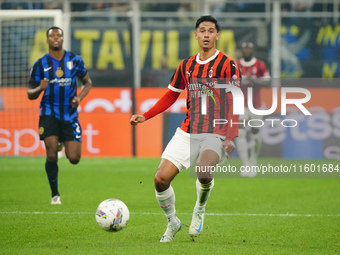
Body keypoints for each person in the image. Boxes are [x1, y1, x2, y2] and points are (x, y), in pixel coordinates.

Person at [130, 16, 240, 242]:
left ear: (217, 35)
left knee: (202, 170)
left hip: (215, 132)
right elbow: (171, 94)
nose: (207, 34)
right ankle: (173, 222)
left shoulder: (228, 65)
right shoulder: (186, 65)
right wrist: (146, 115)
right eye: (202, 30)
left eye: (211, 30)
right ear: (196, 35)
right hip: (188, 131)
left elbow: (235, 101)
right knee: (160, 179)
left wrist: (230, 135)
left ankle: (199, 208)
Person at [27, 27, 92, 204]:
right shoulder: (40, 64)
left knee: (74, 159)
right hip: (49, 113)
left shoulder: (75, 60)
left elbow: (87, 83)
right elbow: (30, 94)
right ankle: (55, 195)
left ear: (63, 39)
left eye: (59, 36)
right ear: (47, 40)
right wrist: (40, 87)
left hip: (69, 115)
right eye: (52, 36)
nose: (56, 38)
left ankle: (62, 141)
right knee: (51, 155)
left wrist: (79, 98)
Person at [236, 42, 270, 177]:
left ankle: (253, 161)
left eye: (249, 49)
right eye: (245, 49)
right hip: (241, 105)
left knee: (255, 134)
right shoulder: (237, 65)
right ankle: (245, 165)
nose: (247, 51)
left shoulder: (259, 64)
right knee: (241, 132)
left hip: (255, 105)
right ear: (242, 51)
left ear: (253, 50)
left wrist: (253, 80)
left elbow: (267, 81)